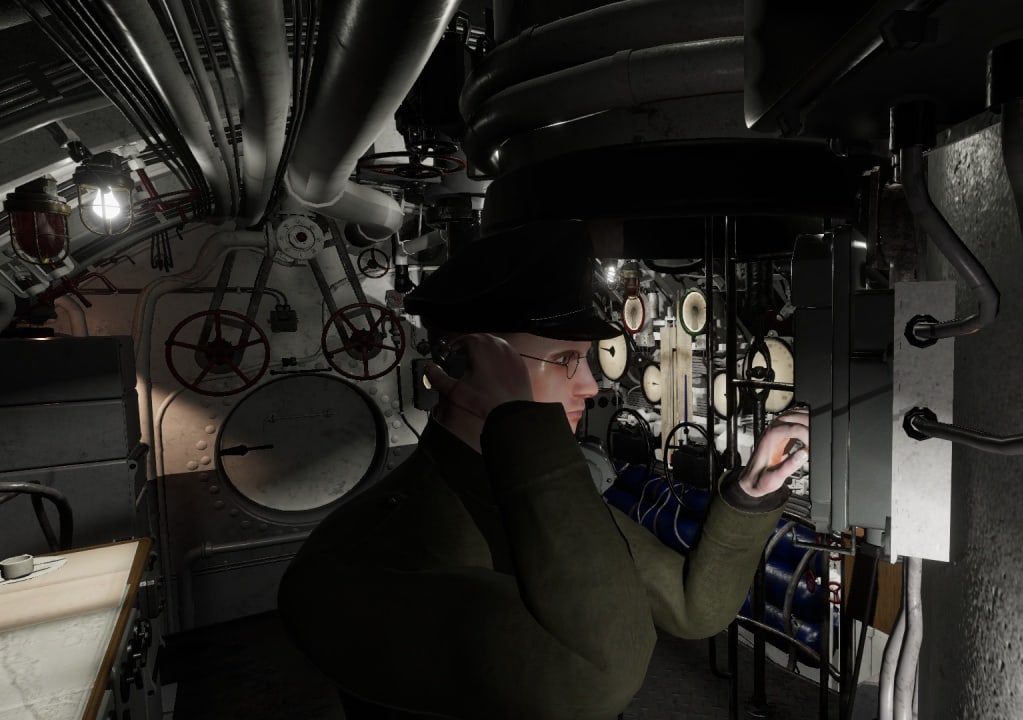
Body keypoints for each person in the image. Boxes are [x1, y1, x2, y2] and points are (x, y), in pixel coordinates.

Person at [276, 220, 810, 719]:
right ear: (466, 366)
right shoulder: (362, 558)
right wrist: (520, 424)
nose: (592, 387)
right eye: (564, 361)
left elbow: (695, 607)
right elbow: (599, 679)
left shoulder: (538, 498)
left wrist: (748, 494)